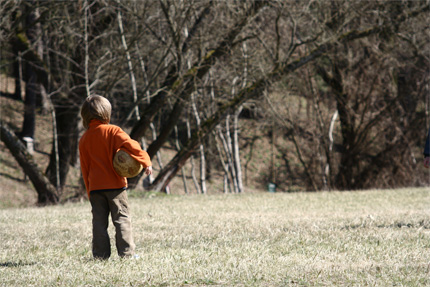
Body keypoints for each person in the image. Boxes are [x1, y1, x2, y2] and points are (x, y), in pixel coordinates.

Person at [79, 95, 152, 260]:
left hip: (96, 188)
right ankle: (127, 254)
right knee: (121, 218)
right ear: (106, 113)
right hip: (115, 186)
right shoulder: (113, 131)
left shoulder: (84, 139)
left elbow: (85, 168)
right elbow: (131, 145)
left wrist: (89, 190)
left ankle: (100, 256)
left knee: (99, 223)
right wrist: (145, 161)